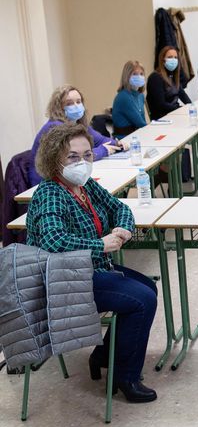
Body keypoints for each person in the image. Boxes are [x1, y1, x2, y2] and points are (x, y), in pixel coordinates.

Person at [25, 123, 159, 402]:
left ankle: (102, 355)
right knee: (142, 299)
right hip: (62, 280)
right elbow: (54, 242)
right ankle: (126, 377)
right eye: (73, 157)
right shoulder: (50, 193)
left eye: (87, 156)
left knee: (148, 287)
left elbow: (119, 207)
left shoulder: (84, 187)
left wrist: (122, 229)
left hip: (90, 269)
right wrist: (100, 243)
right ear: (54, 159)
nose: (82, 163)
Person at [29, 85, 128, 187]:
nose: (76, 106)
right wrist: (104, 150)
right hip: (45, 183)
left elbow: (100, 140)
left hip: (66, 178)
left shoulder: (78, 124)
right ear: (59, 107)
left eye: (78, 102)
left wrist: (117, 143)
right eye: (69, 103)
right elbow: (73, 159)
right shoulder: (55, 127)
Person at [146, 46, 192, 120]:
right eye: (170, 57)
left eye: (175, 57)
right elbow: (161, 104)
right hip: (162, 118)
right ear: (163, 60)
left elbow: (182, 94)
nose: (173, 60)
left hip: (174, 114)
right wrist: (180, 109)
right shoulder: (155, 78)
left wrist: (191, 106)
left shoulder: (173, 75)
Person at [111, 60, 147, 139]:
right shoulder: (124, 97)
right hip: (124, 139)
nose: (139, 77)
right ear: (127, 76)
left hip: (137, 135)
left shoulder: (140, 95)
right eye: (134, 74)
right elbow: (140, 123)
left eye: (141, 74)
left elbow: (143, 121)